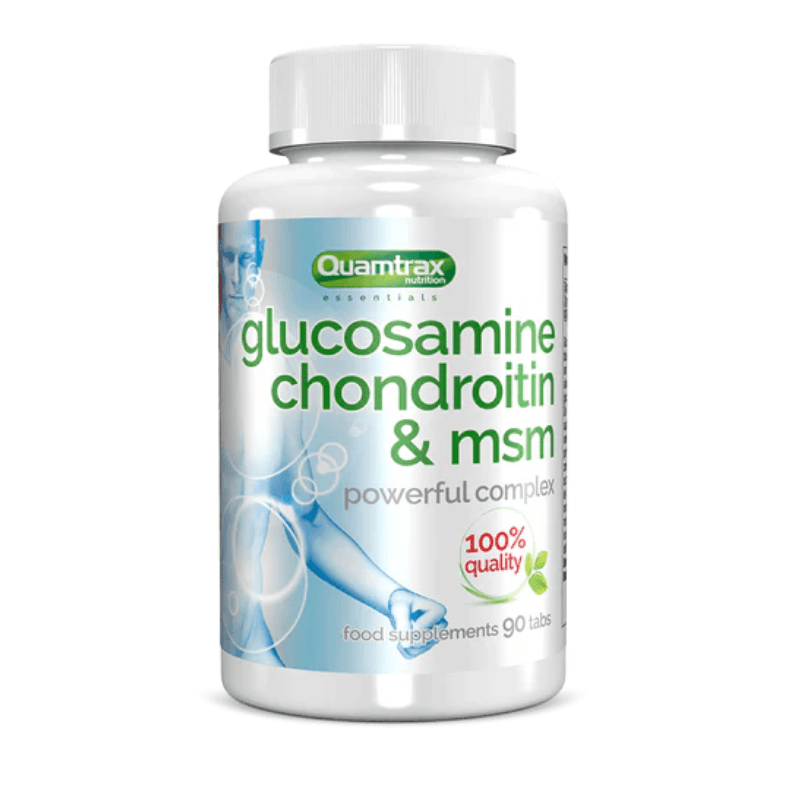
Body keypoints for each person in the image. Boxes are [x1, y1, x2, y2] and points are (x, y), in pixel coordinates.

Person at [219, 221, 447, 665]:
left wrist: (393, 596)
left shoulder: (268, 364)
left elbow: (302, 515)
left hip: (253, 646)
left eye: (247, 258)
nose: (237, 276)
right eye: (228, 258)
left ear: (261, 254)